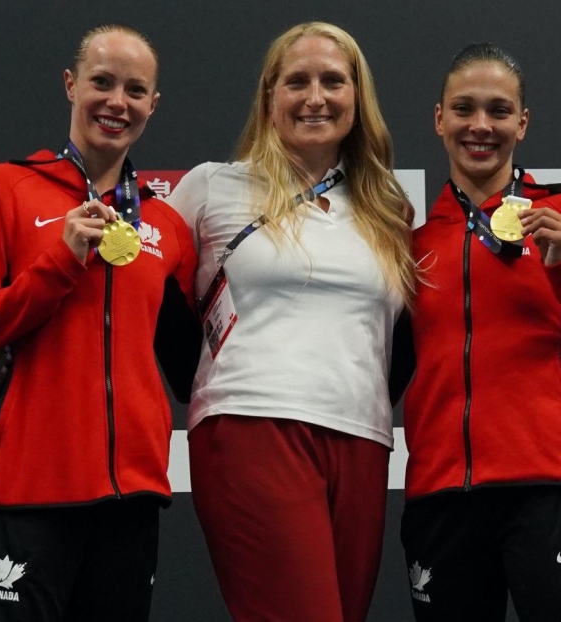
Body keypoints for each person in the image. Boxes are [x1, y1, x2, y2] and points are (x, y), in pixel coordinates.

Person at [0, 24, 198, 622]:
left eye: (135, 90)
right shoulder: (2, 187)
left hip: (130, 499)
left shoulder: (168, 226)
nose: (116, 103)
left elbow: (193, 364)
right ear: (70, 85)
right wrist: (59, 263)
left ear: (152, 105)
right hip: (27, 490)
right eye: (102, 83)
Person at [165, 21, 415, 622]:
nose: (315, 97)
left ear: (358, 95)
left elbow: (416, 330)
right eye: (296, 81)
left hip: (361, 436)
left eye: (333, 80)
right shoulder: (211, 188)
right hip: (252, 426)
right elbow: (126, 286)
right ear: (268, 96)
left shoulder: (389, 206)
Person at [394, 44, 561, 621]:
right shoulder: (412, 243)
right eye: (464, 109)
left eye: (499, 110)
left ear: (522, 122)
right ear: (439, 119)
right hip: (439, 496)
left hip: (545, 489)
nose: (480, 126)